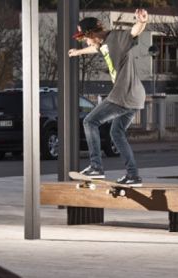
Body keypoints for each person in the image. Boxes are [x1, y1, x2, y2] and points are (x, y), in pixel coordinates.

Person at [68, 9, 149, 186]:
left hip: (123, 94)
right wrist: (78, 52)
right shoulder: (102, 42)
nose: (87, 42)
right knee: (116, 132)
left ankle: (96, 167)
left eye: (86, 38)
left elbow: (134, 32)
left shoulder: (118, 38)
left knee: (90, 122)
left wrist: (142, 21)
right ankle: (133, 175)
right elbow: (95, 48)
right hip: (135, 96)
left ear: (93, 33)